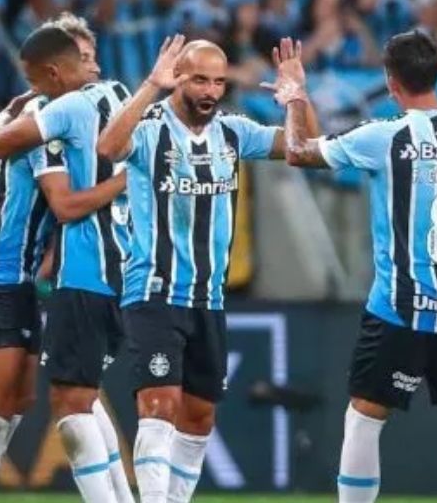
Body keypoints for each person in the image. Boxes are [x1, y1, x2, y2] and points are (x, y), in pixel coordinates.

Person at [276, 32, 437, 501]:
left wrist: (295, 95)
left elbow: (300, 151)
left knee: (364, 417)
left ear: (390, 80)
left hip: (402, 303)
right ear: (436, 73)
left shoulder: (384, 135)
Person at [96, 35, 305, 503]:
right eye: (199, 80)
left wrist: (296, 99)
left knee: (198, 417)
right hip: (153, 290)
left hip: (209, 298)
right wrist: (151, 86)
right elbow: (107, 148)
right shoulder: (151, 127)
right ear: (178, 78)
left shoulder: (233, 132)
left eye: (218, 81)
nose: (210, 91)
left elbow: (302, 147)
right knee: (159, 406)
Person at [0, 14, 136, 502]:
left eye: (92, 56)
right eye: (81, 59)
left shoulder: (87, 109)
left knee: (65, 401)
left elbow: (64, 205)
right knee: (33, 402)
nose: (92, 68)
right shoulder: (56, 117)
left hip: (81, 273)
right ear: (54, 69)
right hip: (5, 274)